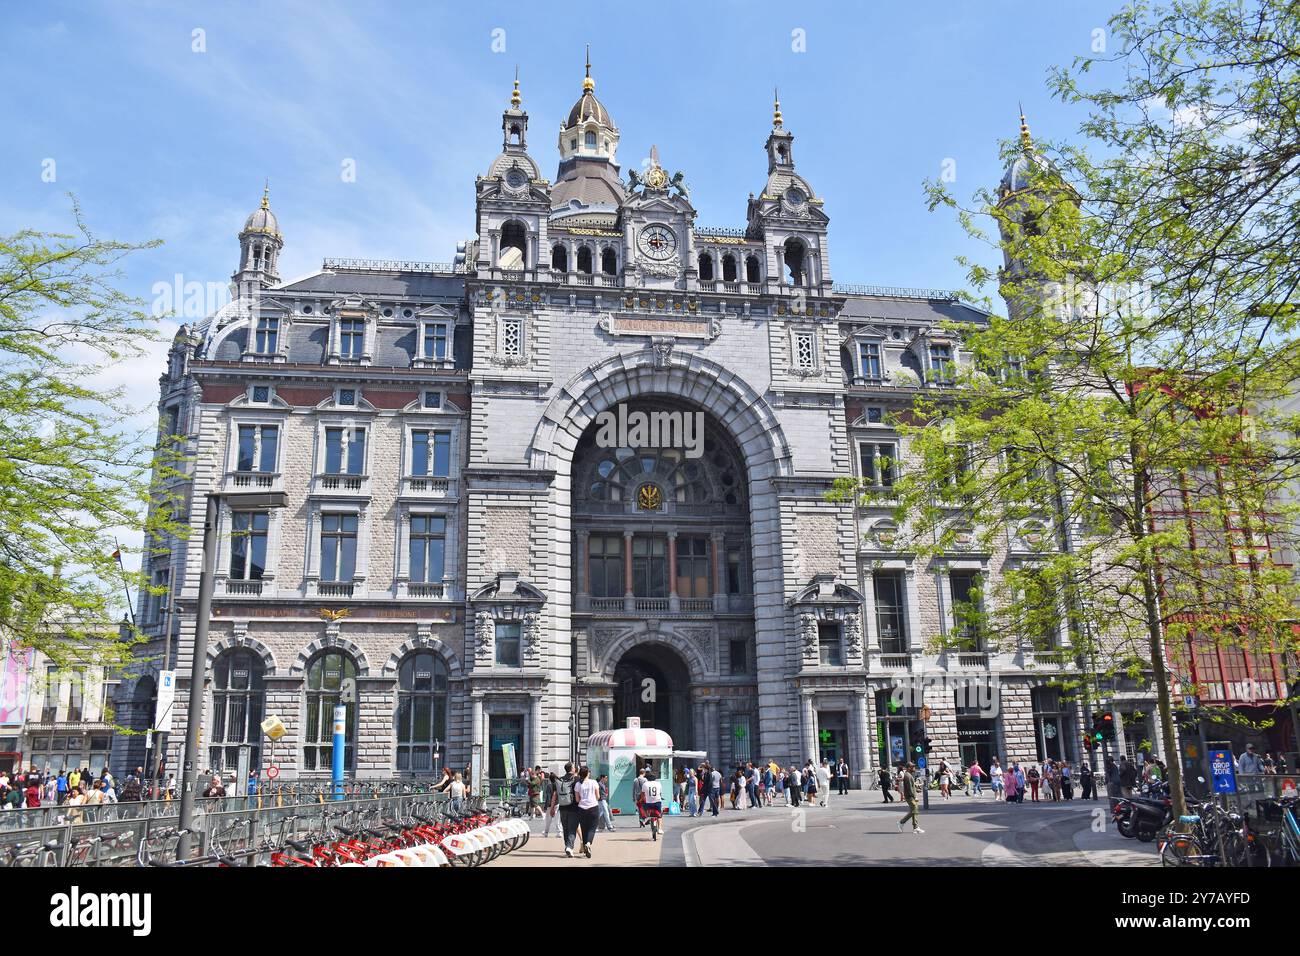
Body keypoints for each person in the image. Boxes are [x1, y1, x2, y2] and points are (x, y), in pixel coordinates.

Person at [574, 765, 601, 858]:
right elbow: (598, 796)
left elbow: (577, 799)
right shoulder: (594, 782)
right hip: (593, 807)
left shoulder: (578, 784)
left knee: (584, 829)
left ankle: (586, 847)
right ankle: (588, 844)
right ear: (588, 773)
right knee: (592, 828)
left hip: (582, 808)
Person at [556, 762, 581, 857]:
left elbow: (555, 793)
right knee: (572, 828)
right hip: (573, 807)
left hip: (562, 807)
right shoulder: (576, 779)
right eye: (574, 767)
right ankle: (569, 847)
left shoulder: (560, 779)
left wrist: (553, 806)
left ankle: (567, 846)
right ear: (572, 769)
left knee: (565, 828)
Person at [896, 762, 924, 834]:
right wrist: (914, 797)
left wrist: (916, 787)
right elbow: (909, 788)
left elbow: (912, 786)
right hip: (910, 796)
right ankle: (903, 823)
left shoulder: (908, 775)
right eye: (913, 767)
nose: (914, 768)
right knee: (915, 809)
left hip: (910, 796)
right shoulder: (908, 776)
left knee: (914, 810)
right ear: (909, 768)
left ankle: (915, 827)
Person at [640, 770, 664, 838]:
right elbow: (660, 793)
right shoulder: (658, 783)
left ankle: (644, 818)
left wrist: (642, 799)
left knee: (643, 807)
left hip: (649, 803)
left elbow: (642, 794)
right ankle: (659, 829)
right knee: (660, 815)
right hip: (657, 802)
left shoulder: (645, 784)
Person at [542, 770, 560, 837]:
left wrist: (545, 806)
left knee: (548, 820)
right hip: (557, 803)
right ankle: (559, 832)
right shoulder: (558, 785)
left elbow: (548, 797)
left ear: (550, 779)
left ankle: (546, 832)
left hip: (550, 805)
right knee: (557, 819)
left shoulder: (549, 786)